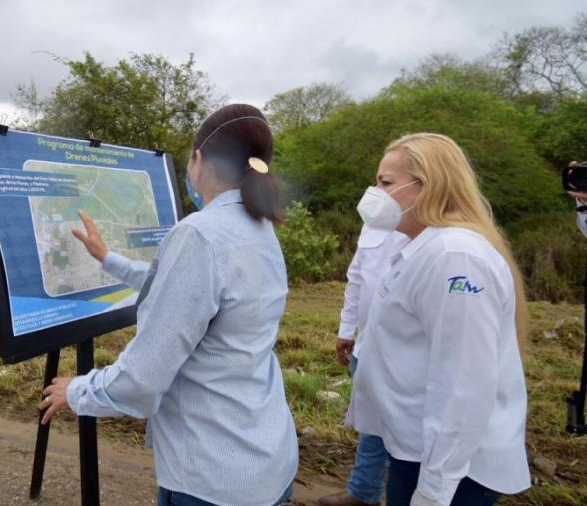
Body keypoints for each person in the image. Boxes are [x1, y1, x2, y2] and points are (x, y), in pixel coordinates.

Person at [39, 104, 299, 506]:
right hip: (267, 460)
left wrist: (77, 390)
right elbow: (188, 294)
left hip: (213, 478)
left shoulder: (199, 234)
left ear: (198, 160)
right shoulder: (259, 225)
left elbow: (143, 379)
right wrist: (107, 258)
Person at [346, 133, 531, 506]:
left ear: (427, 186)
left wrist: (433, 490)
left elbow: (463, 385)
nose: (375, 193)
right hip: (414, 447)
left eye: (386, 183)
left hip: (450, 470)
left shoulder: (456, 257)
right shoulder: (419, 247)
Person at [317, 224, 407, 506]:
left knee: (405, 433)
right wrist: (347, 328)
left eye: (387, 182)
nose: (378, 191)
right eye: (379, 180)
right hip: (367, 342)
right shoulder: (375, 223)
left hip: (405, 350)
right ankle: (363, 492)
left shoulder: (436, 234)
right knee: (371, 424)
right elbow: (357, 277)